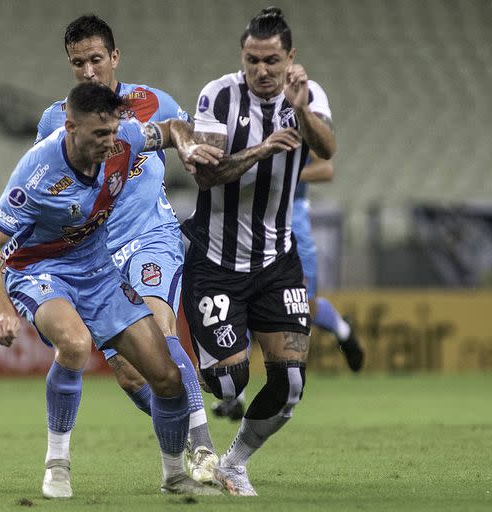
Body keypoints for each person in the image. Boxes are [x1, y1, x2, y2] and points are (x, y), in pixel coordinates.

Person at [0, 82, 223, 498]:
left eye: (113, 133)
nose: (110, 144)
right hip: (39, 268)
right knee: (74, 343)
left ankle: (174, 475)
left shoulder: (124, 135)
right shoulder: (38, 171)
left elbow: (174, 126)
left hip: (97, 267)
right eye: (98, 135)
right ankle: (57, 466)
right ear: (70, 127)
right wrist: (2, 311)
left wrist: (187, 145)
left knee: (165, 376)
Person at [34, 14, 219, 484]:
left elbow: (190, 137)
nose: (90, 71)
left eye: (97, 59)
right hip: (97, 259)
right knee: (135, 375)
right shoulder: (56, 120)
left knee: (161, 332)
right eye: (79, 63)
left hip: (150, 238)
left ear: (115, 57)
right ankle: (175, 459)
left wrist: (202, 156)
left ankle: (203, 447)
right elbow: (47, 189)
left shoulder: (151, 102)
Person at [180, 7, 335, 496]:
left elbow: (327, 151)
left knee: (290, 385)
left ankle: (233, 463)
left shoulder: (307, 95)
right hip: (215, 262)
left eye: (272, 60)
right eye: (253, 60)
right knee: (228, 385)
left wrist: (301, 107)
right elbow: (206, 174)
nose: (262, 71)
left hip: (276, 261)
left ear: (291, 58)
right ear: (242, 57)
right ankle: (176, 393)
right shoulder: (218, 95)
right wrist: (263, 150)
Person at [212, 153, 365, 422]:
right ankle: (236, 398)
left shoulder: (294, 126)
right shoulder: (248, 122)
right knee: (243, 302)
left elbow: (326, 169)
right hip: (253, 226)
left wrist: (287, 174)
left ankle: (343, 329)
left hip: (293, 224)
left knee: (302, 305)